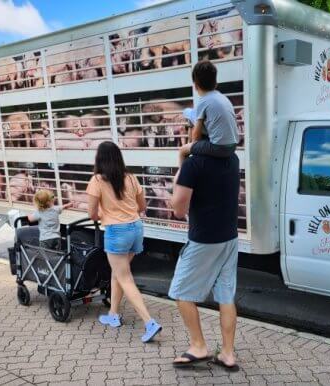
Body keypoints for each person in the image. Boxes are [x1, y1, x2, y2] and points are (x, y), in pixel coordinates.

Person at [169, 147, 241, 370]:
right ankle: (228, 354)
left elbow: (178, 209)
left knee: (181, 292)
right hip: (229, 237)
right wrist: (185, 157)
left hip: (203, 241)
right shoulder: (232, 158)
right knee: (226, 295)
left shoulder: (194, 164)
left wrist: (184, 156)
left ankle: (198, 345)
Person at [86, 141, 162, 343]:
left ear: (99, 159)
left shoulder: (97, 180)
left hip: (116, 232)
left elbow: (92, 214)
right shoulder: (131, 177)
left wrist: (106, 213)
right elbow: (142, 206)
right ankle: (113, 315)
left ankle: (149, 322)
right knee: (118, 273)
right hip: (136, 228)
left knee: (125, 277)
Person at [178, 61, 239, 165]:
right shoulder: (223, 98)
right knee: (190, 113)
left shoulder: (203, 101)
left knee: (183, 151)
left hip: (219, 148)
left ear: (196, 85)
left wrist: (193, 146)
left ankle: (183, 178)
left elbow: (196, 135)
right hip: (233, 146)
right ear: (216, 83)